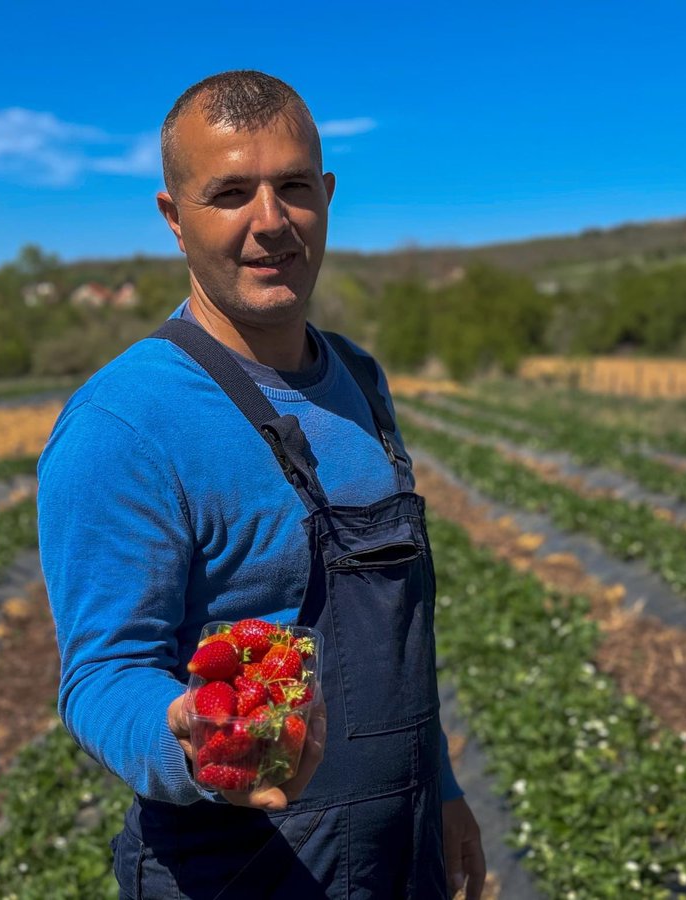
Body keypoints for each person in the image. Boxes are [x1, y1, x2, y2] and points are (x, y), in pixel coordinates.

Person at [37, 70, 485, 899]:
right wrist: (191, 740)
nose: (270, 222)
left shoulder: (359, 377)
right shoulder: (124, 424)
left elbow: (399, 643)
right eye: (231, 192)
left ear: (328, 195)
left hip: (404, 849)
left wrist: (445, 792)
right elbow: (102, 674)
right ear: (175, 218)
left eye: (294, 187)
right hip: (244, 865)